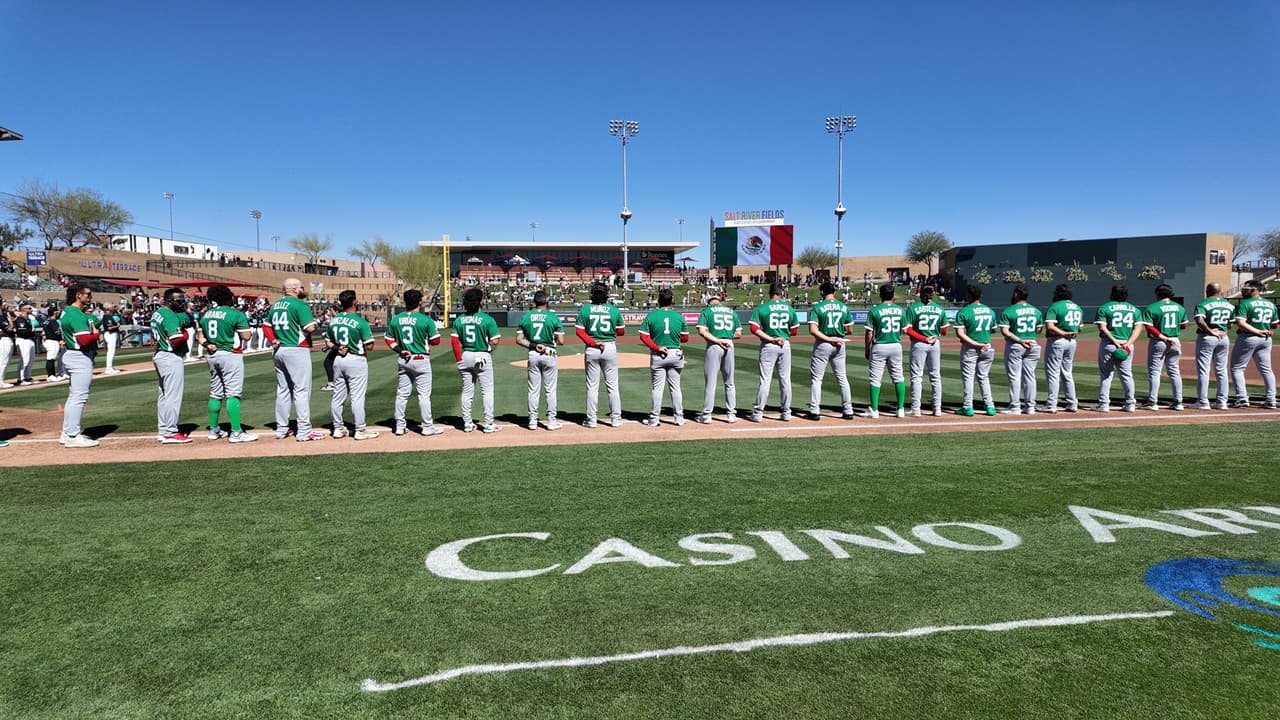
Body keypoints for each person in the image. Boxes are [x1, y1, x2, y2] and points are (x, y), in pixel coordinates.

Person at [265, 278, 323, 441]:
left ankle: (281, 428)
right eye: (302, 287)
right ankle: (304, 430)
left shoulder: (275, 305)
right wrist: (318, 322)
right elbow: (309, 327)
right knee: (301, 390)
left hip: (279, 350)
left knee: (283, 390)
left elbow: (266, 326)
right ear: (295, 289)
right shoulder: (299, 305)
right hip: (296, 349)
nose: (303, 289)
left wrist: (273, 340)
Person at [198, 284, 257, 442]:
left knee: (215, 393)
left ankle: (214, 430)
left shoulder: (206, 314)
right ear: (227, 297)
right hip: (230, 354)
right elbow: (246, 336)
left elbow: (201, 337)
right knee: (233, 394)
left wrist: (207, 345)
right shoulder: (234, 314)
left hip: (212, 354)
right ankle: (236, 432)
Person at [385, 288, 445, 436]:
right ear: (419, 302)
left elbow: (388, 339)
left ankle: (399, 426)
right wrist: (426, 342)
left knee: (402, 394)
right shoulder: (425, 320)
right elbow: (436, 340)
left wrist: (400, 350)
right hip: (421, 359)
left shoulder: (396, 319)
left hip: (404, 358)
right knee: (424, 395)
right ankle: (427, 427)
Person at [326, 290, 379, 440]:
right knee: (357, 397)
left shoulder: (334, 320)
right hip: (356, 360)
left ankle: (337, 428)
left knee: (337, 396)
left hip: (338, 359)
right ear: (354, 302)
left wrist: (337, 348)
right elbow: (370, 346)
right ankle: (360, 430)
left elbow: (328, 341)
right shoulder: (360, 321)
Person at [452, 287, 502, 432]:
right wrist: (489, 347)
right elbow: (495, 341)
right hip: (482, 356)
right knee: (487, 391)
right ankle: (489, 423)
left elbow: (455, 342)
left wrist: (458, 359)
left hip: (465, 355)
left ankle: (467, 423)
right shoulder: (487, 319)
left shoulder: (460, 319)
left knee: (467, 391)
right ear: (480, 301)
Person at [576, 283, 625, 428]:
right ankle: (616, 419)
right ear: (606, 295)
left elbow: (579, 332)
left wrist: (592, 342)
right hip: (609, 346)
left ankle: (591, 420)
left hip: (592, 348)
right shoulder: (613, 310)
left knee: (592, 386)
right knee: (613, 386)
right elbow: (621, 331)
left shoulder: (585, 310)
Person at [639, 288, 689, 426]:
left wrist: (657, 347)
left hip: (659, 354)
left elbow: (643, 336)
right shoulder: (679, 316)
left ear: (659, 301)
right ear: (672, 301)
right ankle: (679, 418)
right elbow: (685, 338)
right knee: (675, 387)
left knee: (657, 388)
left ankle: (654, 419)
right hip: (675, 353)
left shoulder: (652, 315)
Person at [516, 290, 565, 430]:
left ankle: (532, 421)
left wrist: (533, 345)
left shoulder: (526, 317)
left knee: (533, 390)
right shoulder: (553, 317)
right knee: (550, 390)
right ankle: (551, 421)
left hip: (533, 353)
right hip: (549, 353)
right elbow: (561, 341)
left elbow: (519, 340)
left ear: (534, 302)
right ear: (547, 300)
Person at [749, 283, 798, 422]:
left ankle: (758, 413)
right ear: (781, 293)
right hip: (785, 344)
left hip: (769, 344)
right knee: (785, 379)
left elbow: (753, 328)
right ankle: (787, 412)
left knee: (765, 379)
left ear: (770, 293)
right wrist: (782, 336)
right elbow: (794, 331)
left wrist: (771, 338)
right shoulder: (789, 308)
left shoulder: (762, 308)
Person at [806, 281, 855, 421]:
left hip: (823, 343)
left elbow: (813, 330)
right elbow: (850, 329)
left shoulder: (818, 307)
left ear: (822, 292)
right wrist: (838, 333)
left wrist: (828, 338)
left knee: (817, 379)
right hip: (839, 343)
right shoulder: (843, 306)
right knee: (842, 378)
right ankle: (848, 410)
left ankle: (815, 411)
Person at [151, 288, 194, 443]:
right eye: (179, 300)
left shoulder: (158, 313)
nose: (182, 302)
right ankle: (170, 432)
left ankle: (164, 429)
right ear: (169, 301)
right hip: (170, 356)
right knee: (173, 396)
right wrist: (185, 334)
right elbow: (176, 339)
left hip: (160, 354)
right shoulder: (170, 316)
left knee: (164, 395)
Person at [59, 283, 100, 448]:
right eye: (87, 294)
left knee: (73, 396)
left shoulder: (69, 312)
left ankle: (67, 432)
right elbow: (84, 340)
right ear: (78, 295)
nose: (90, 297)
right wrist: (96, 334)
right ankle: (72, 435)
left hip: (73, 354)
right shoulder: (76, 314)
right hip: (79, 356)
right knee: (79, 397)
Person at [1094, 284, 1143, 412]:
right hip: (1127, 346)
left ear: (1112, 294)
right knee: (1127, 375)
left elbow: (1102, 328)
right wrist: (1128, 343)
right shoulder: (1134, 310)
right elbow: (1138, 329)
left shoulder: (1104, 308)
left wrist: (1114, 341)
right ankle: (1130, 404)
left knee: (1106, 375)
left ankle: (1104, 404)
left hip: (1109, 344)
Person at [1229, 279, 1277, 408]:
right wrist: (1264, 330)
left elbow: (1241, 323)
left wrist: (1257, 331)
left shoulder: (1245, 303)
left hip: (1249, 337)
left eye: (1247, 288)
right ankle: (1271, 399)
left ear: (1255, 289)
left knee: (1237, 368)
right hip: (1265, 339)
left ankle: (1242, 397)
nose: (1244, 289)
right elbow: (1275, 324)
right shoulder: (1270, 304)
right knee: (1266, 370)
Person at [1140, 283, 1188, 411]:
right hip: (1175, 340)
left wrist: (1162, 336)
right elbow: (1184, 325)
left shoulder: (1152, 307)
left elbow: (1149, 326)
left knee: (1155, 372)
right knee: (1174, 371)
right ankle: (1178, 402)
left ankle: (1152, 401)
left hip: (1159, 341)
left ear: (1158, 294)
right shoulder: (1179, 307)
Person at [904, 284, 949, 417]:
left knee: (917, 376)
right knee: (935, 376)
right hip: (935, 343)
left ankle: (916, 409)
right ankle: (937, 409)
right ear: (932, 294)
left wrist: (923, 338)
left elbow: (908, 330)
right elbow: (945, 330)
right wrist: (933, 334)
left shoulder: (913, 308)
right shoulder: (939, 308)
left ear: (921, 294)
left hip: (919, 343)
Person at [696, 292, 741, 424]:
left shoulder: (707, 311)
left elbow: (702, 331)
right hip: (729, 344)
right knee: (730, 382)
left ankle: (707, 415)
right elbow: (738, 333)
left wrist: (718, 340)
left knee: (711, 382)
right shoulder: (731, 312)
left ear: (709, 302)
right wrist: (726, 338)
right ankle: (731, 414)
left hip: (714, 346)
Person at [998, 284, 1044, 415]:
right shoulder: (1036, 311)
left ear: (1016, 294)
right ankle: (1030, 406)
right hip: (1033, 344)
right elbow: (1039, 329)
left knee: (1015, 377)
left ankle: (1015, 406)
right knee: (1030, 376)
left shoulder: (1009, 311)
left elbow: (1005, 331)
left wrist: (1019, 340)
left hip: (1016, 345)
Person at [863, 283, 907, 418]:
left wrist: (867, 348)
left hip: (879, 346)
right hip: (895, 344)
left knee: (875, 379)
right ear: (893, 295)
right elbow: (905, 330)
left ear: (880, 295)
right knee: (898, 377)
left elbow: (869, 333)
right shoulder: (900, 310)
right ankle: (900, 409)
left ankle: (874, 410)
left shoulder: (874, 311)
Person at [954, 284, 998, 417]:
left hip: (971, 348)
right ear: (981, 296)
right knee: (984, 377)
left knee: (968, 378)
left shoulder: (964, 311)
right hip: (987, 346)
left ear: (969, 296)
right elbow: (993, 330)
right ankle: (990, 406)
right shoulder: (990, 311)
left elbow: (960, 334)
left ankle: (968, 406)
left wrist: (976, 344)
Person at [1040, 284, 1083, 413]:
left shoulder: (1055, 306)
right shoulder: (1077, 307)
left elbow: (1050, 326)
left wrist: (1063, 333)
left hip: (1057, 341)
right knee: (1067, 373)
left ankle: (1052, 404)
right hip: (1072, 342)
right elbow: (1080, 328)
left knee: (1053, 373)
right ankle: (1072, 403)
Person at [1191, 282, 1234, 410]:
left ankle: (1203, 401)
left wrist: (1210, 331)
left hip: (1208, 338)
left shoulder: (1203, 304)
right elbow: (1231, 324)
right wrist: (1222, 330)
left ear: (1207, 290)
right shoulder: (1229, 305)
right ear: (1220, 291)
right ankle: (1222, 401)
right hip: (1223, 338)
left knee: (1204, 370)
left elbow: (1199, 320)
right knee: (1221, 371)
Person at [12, 302, 36, 385]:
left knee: (31, 359)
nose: (31, 309)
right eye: (29, 308)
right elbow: (22, 332)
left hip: (29, 339)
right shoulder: (20, 319)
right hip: (23, 340)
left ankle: (28, 377)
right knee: (24, 360)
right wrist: (31, 331)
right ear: (23, 309)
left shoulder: (28, 318)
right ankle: (21, 378)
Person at [321, 303, 341, 392]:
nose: (330, 312)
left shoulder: (335, 320)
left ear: (336, 310)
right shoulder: (345, 318)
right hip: (343, 345)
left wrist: (325, 336)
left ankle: (331, 383)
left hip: (337, 346)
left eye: (332, 310)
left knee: (327, 363)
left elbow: (333, 337)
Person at [41, 309, 64, 382]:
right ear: (54, 313)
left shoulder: (46, 321)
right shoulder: (53, 321)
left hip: (48, 340)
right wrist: (61, 339)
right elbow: (57, 332)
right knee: (51, 358)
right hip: (52, 341)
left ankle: (52, 375)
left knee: (51, 358)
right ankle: (51, 375)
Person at [101, 303, 122, 374]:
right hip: (110, 334)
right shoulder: (107, 316)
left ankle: (110, 367)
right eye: (112, 306)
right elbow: (109, 328)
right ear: (107, 308)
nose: (113, 307)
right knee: (111, 351)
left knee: (111, 351)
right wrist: (117, 325)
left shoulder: (110, 315)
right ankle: (108, 368)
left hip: (111, 334)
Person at [0, 304, 12, 387]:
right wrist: (10, 320)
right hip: (4, 339)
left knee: (4, 360)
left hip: (6, 338)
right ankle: (0, 381)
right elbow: (10, 328)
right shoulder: (1, 317)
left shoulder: (3, 315)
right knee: (3, 361)